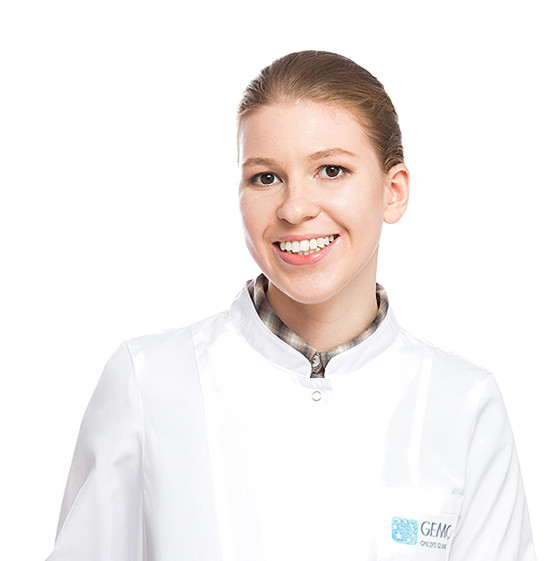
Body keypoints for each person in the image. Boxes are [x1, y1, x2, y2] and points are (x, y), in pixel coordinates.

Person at [45, 51, 536, 561]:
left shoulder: (465, 403)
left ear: (393, 192)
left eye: (331, 170)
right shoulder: (148, 382)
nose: (295, 208)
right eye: (266, 177)